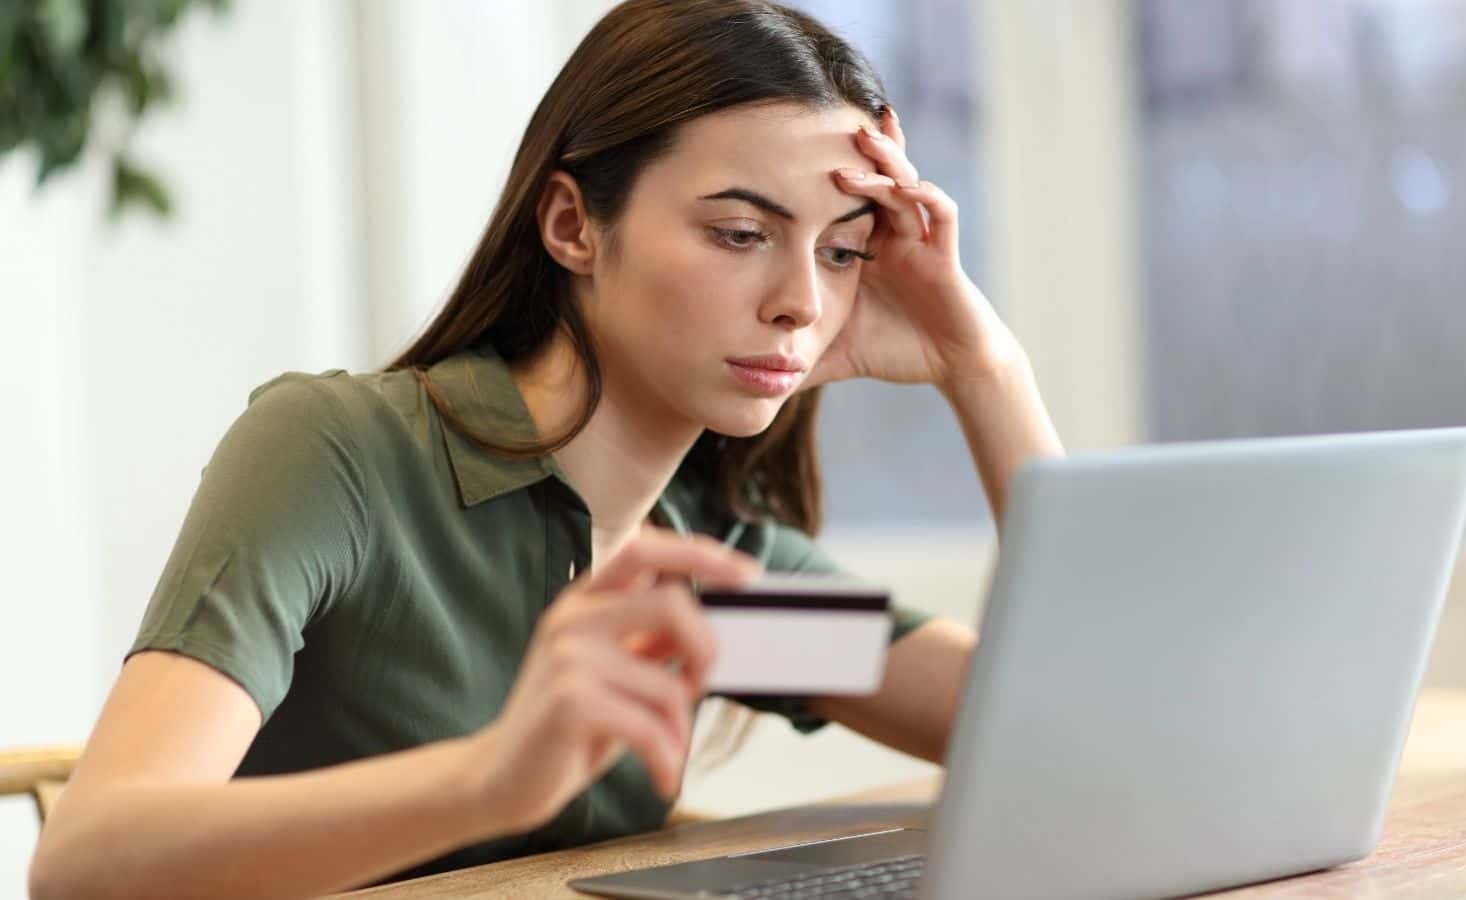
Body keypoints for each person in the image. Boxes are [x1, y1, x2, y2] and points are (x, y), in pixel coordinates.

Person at [29, 0, 1064, 896]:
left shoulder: (715, 589)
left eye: (841, 251)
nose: (802, 301)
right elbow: (88, 863)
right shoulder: (337, 459)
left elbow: (1056, 742)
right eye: (741, 234)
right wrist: (493, 774)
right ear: (572, 224)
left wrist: (984, 368)